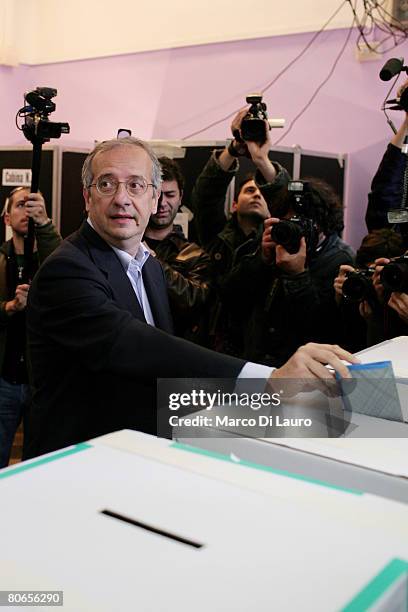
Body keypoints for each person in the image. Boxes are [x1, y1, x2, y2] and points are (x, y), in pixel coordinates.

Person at [24, 137, 357, 459]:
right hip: (77, 463)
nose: (122, 198)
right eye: (107, 184)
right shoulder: (67, 270)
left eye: (136, 185)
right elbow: (131, 344)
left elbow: (164, 368)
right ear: (86, 196)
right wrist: (267, 380)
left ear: (154, 199)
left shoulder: (150, 267)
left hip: (138, 454)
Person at [220, 178, 355, 366]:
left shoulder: (340, 259)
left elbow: (325, 331)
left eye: (302, 223)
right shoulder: (272, 244)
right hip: (257, 362)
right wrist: (262, 259)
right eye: (289, 221)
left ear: (322, 224)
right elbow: (229, 299)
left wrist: (297, 276)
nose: (295, 229)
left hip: (304, 371)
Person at [191, 108, 290, 353]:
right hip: (216, 339)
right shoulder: (216, 235)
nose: (256, 193)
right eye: (248, 190)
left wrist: (261, 159)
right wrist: (234, 148)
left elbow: (286, 198)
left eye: (260, 191)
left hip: (264, 343)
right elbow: (205, 196)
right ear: (234, 204)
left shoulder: (280, 241)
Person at [0, 187, 61, 467]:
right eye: (20, 205)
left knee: (37, 462)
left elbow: (66, 278)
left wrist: (46, 224)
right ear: (7, 218)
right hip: (5, 379)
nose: (27, 211)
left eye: (33, 205)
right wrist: (9, 307)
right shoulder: (0, 261)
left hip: (42, 382)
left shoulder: (53, 258)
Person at [144, 157, 212, 344]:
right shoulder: (125, 245)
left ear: (180, 197)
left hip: (175, 352)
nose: (162, 203)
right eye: (156, 194)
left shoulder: (195, 255)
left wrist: (149, 260)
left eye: (170, 195)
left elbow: (193, 302)